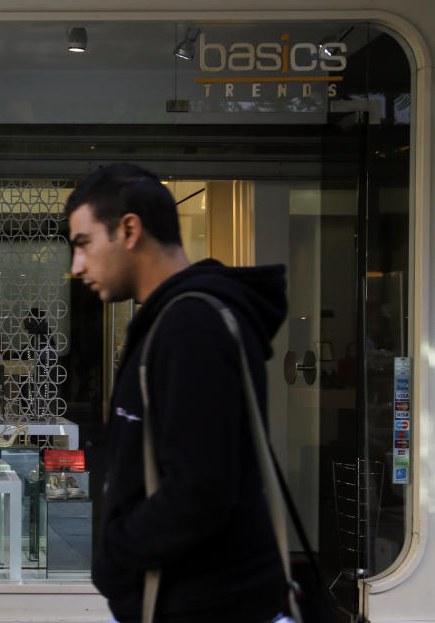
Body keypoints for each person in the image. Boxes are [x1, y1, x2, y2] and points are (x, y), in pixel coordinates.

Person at [65, 163, 289, 623]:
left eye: (83, 243)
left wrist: (114, 557)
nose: (77, 266)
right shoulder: (173, 321)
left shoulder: (192, 327)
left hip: (206, 607)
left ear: (129, 229)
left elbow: (200, 489)